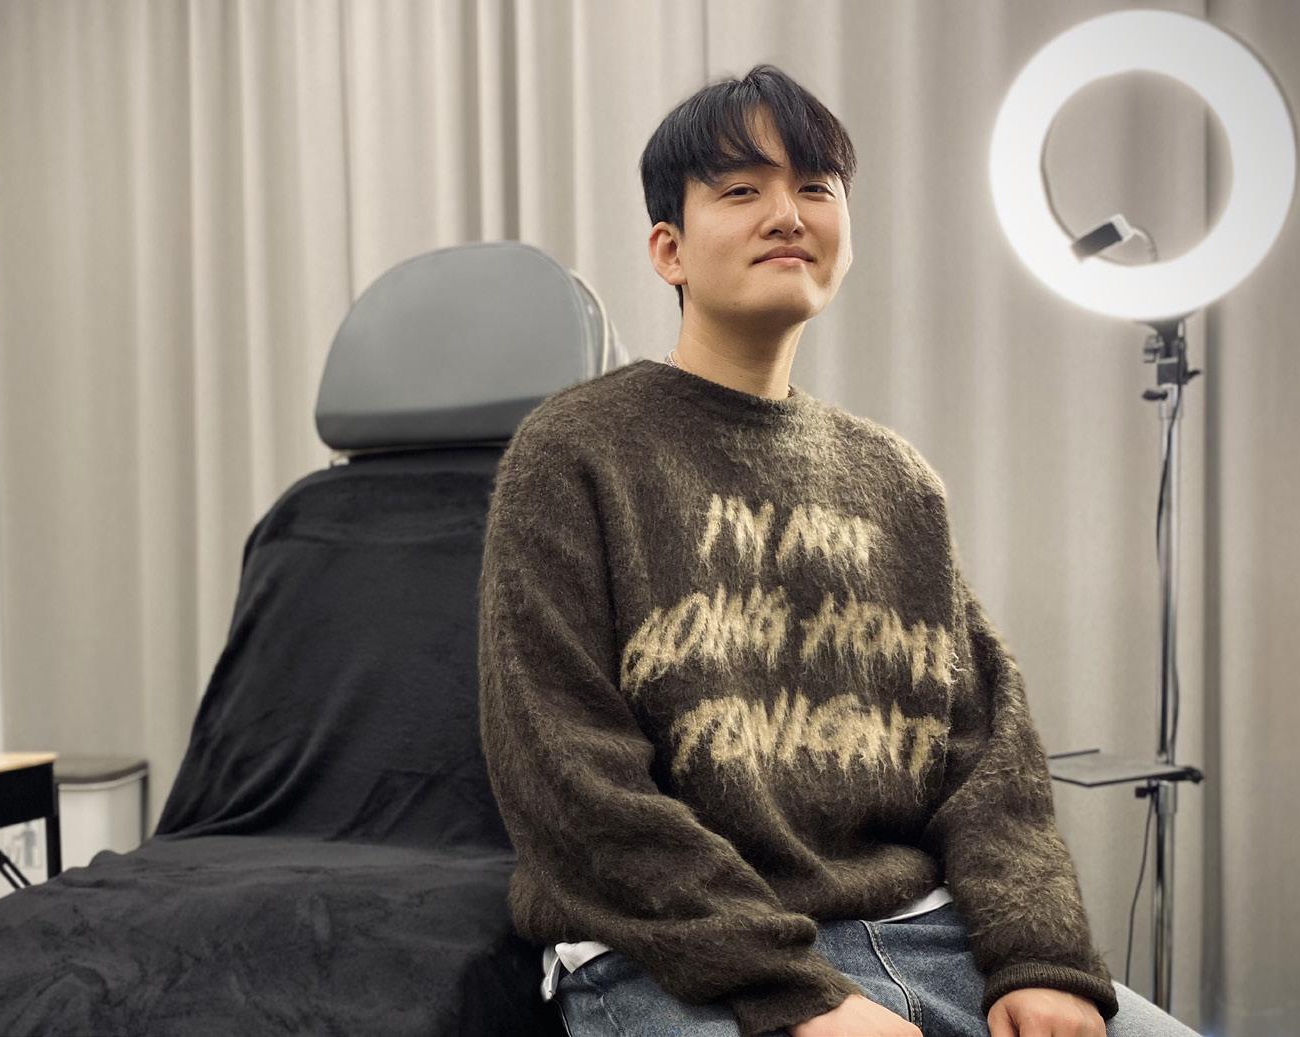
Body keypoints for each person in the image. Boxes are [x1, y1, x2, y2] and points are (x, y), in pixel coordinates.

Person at [475, 64, 1202, 1037]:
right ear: (668, 249)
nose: (786, 214)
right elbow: (569, 784)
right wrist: (793, 993)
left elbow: (988, 759)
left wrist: (1041, 959)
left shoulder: (895, 477)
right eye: (740, 190)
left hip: (925, 935)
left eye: (814, 187)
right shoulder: (574, 451)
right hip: (677, 956)